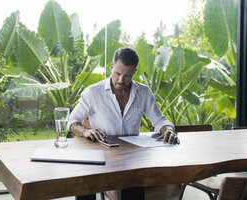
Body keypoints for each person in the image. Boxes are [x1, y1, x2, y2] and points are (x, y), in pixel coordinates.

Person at [67, 47, 180, 200]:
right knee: (118, 193)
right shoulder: (93, 92)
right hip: (105, 158)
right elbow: (73, 121)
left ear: (134, 72)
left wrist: (168, 130)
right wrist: (86, 131)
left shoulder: (144, 92)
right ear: (111, 67)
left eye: (127, 76)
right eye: (117, 74)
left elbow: (159, 120)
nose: (121, 80)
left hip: (134, 158)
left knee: (174, 187)